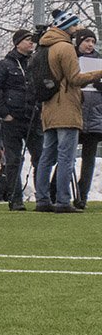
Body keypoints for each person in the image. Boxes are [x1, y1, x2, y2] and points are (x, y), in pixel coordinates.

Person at [33, 9, 101, 213]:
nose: (76, 30)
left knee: (47, 156)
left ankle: (42, 199)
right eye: (74, 26)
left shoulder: (44, 47)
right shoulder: (65, 47)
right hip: (66, 108)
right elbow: (75, 79)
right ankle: (63, 201)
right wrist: (98, 73)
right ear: (67, 27)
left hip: (49, 107)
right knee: (66, 157)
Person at [0, 28, 40, 210]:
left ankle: (42, 197)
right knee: (14, 160)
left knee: (40, 157)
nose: (31, 43)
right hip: (13, 119)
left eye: (32, 40)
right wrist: (4, 113)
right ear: (18, 43)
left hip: (32, 118)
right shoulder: (5, 65)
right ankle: (15, 199)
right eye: (27, 40)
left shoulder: (35, 63)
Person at [74, 27, 101, 209]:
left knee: (89, 159)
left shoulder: (99, 61)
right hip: (74, 115)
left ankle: (82, 196)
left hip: (95, 118)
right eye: (87, 41)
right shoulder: (70, 58)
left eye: (93, 42)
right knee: (66, 157)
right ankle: (57, 191)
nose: (90, 45)